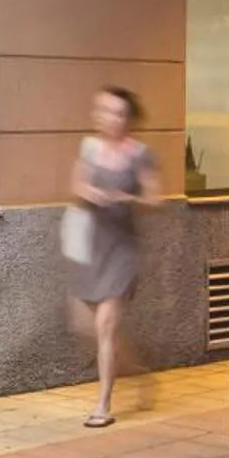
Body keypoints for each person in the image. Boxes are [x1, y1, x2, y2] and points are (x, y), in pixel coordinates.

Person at [66, 86, 159, 428]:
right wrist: (90, 192)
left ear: (129, 119)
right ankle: (137, 373)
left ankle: (103, 404)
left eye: (119, 113)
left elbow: (154, 199)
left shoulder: (139, 154)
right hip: (92, 245)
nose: (110, 118)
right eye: (104, 111)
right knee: (88, 326)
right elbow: (75, 186)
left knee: (106, 325)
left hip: (122, 248)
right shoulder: (89, 148)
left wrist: (125, 197)